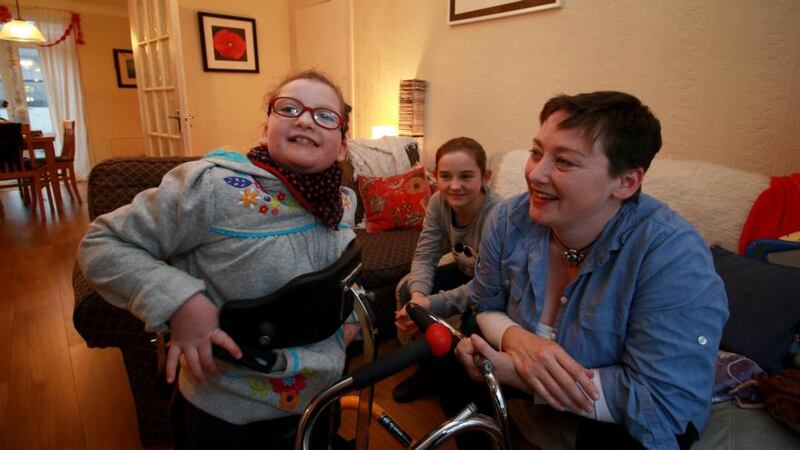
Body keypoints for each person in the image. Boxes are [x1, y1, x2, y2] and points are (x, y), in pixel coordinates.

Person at [78, 70, 359, 450]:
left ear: (341, 145)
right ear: (265, 130)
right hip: (228, 411)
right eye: (289, 108)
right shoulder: (210, 189)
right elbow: (102, 244)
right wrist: (180, 300)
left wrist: (351, 316)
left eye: (325, 116)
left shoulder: (341, 202)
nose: (306, 119)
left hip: (322, 393)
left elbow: (341, 271)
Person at [455, 91, 728, 450]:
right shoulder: (509, 219)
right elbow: (484, 303)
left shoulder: (672, 254)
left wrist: (521, 373)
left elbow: (659, 400)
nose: (535, 173)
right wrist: (520, 341)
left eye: (564, 162)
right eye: (537, 152)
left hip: (615, 424)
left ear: (626, 182)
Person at [392, 137, 502, 404]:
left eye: (466, 176)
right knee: (410, 289)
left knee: (472, 324)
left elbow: (485, 286)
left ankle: (465, 392)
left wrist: (431, 303)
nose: (455, 186)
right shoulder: (438, 202)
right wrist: (419, 299)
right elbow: (426, 254)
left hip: (493, 287)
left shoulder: (499, 215)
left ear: (485, 177)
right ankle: (428, 372)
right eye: (445, 176)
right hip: (465, 272)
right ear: (435, 177)